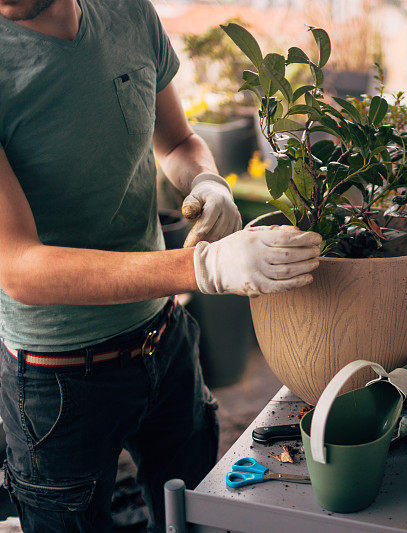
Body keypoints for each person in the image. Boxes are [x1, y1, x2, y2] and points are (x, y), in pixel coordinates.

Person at [0, 0, 321, 530]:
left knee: (195, 512)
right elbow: (18, 267)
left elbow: (176, 141)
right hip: (57, 381)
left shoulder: (127, 13)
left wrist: (205, 181)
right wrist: (204, 267)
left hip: (164, 339)